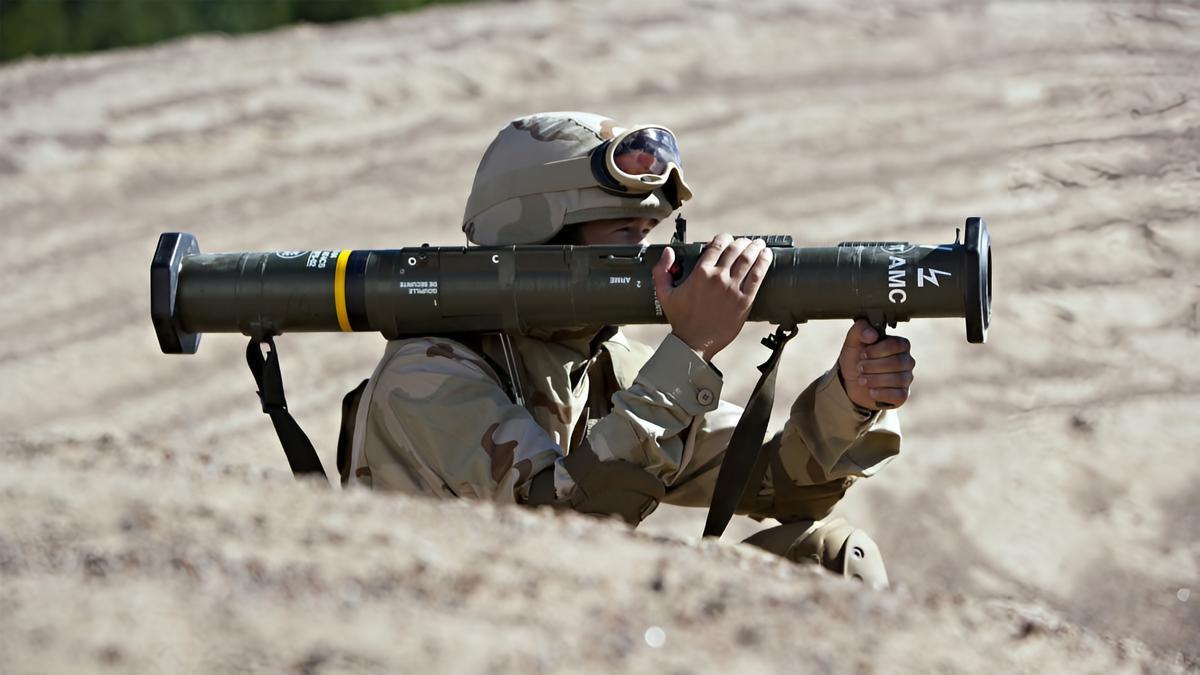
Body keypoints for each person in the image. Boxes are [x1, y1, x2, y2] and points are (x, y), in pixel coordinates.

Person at [341, 112, 914, 587]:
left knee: (832, 556)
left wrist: (851, 398)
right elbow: (559, 530)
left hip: (579, 623)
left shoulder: (603, 358)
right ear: (540, 239)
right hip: (473, 628)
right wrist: (690, 351)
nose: (651, 261)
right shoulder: (427, 375)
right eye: (624, 236)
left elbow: (774, 483)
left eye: (647, 234)